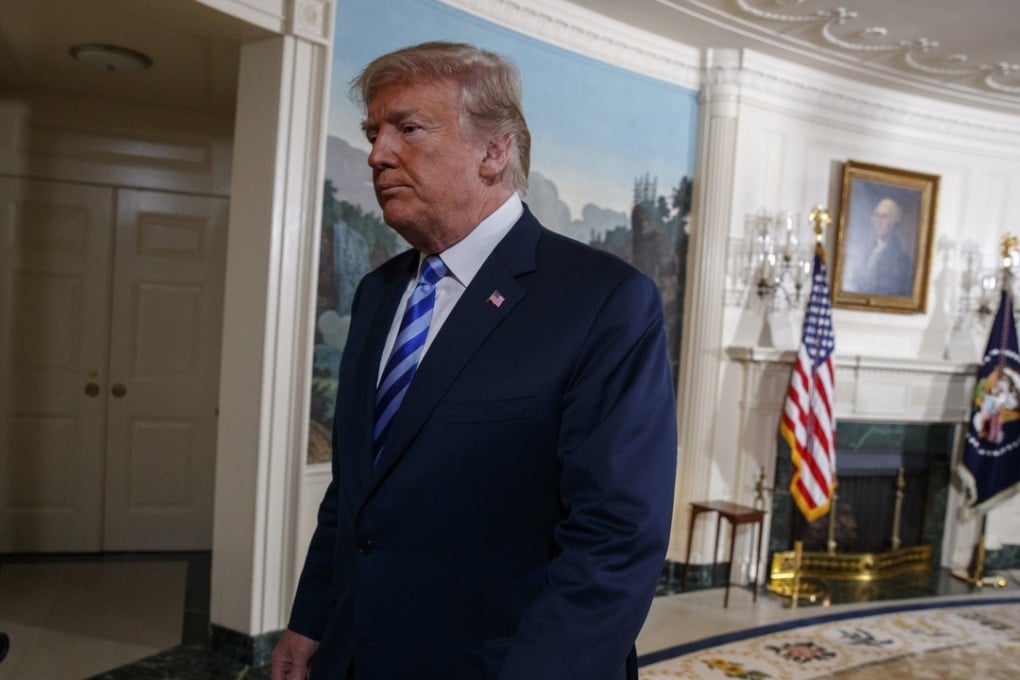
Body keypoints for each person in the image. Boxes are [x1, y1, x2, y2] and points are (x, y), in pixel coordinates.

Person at [270, 42, 677, 680]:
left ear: (494, 151)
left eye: (407, 128)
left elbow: (614, 540)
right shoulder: (378, 295)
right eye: (374, 132)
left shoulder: (604, 301)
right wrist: (310, 621)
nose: (378, 153)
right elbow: (354, 496)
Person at [846, 197, 913, 296]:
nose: (878, 222)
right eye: (876, 216)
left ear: (894, 222)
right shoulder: (867, 250)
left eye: (884, 217)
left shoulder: (901, 259)